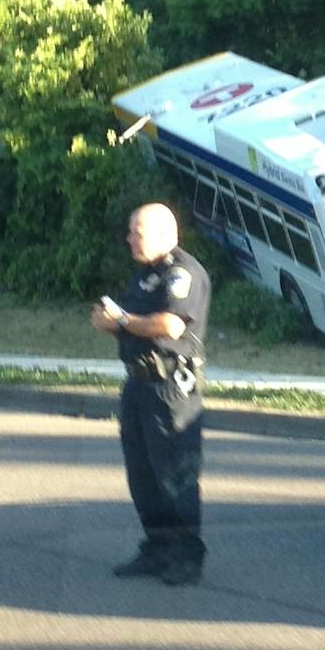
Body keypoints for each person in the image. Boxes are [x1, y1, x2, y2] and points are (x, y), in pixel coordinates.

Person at [93, 203, 211, 585]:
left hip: (169, 387)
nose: (129, 239)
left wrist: (123, 321)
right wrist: (115, 324)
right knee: (142, 474)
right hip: (138, 383)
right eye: (130, 232)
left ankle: (186, 555)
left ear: (164, 234)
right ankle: (157, 548)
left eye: (137, 233)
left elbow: (170, 325)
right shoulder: (146, 275)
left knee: (174, 474)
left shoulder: (183, 273)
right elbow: (135, 321)